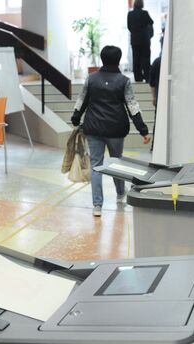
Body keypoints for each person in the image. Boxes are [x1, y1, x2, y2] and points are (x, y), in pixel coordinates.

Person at [71, 45, 151, 217]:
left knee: (96, 166)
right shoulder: (124, 81)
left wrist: (75, 118)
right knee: (116, 164)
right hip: (116, 129)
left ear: (102, 58)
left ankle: (97, 205)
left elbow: (81, 100)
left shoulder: (91, 79)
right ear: (119, 60)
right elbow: (132, 106)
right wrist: (143, 130)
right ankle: (121, 194)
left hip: (93, 128)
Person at [127, 0, 154, 82]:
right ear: (142, 4)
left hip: (135, 39)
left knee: (136, 58)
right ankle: (147, 76)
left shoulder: (130, 14)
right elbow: (151, 22)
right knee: (145, 58)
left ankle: (138, 77)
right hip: (144, 39)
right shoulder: (145, 13)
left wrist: (135, 31)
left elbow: (129, 26)